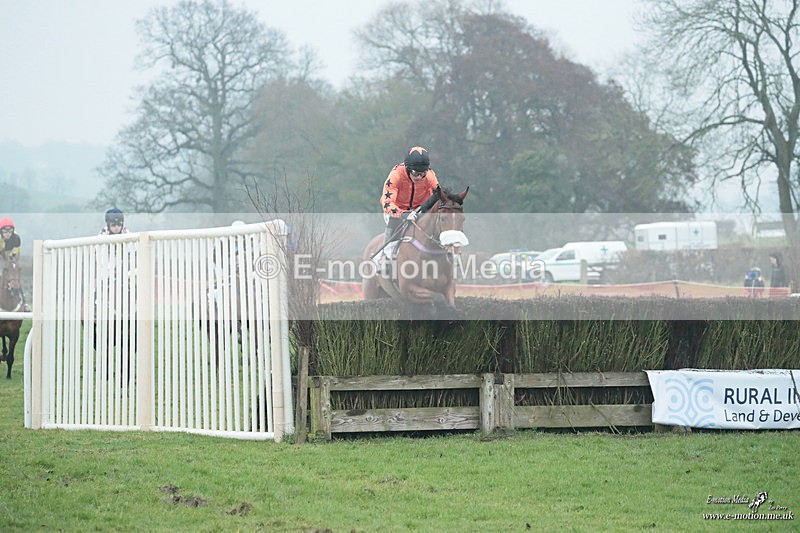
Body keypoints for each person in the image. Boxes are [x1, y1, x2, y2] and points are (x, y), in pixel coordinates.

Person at [380, 146, 440, 246]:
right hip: (395, 211)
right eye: (416, 173)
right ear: (408, 169)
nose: (420, 177)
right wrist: (403, 214)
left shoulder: (430, 176)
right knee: (395, 222)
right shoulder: (396, 175)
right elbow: (387, 204)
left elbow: (439, 196)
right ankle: (387, 252)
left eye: (423, 173)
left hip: (419, 210)